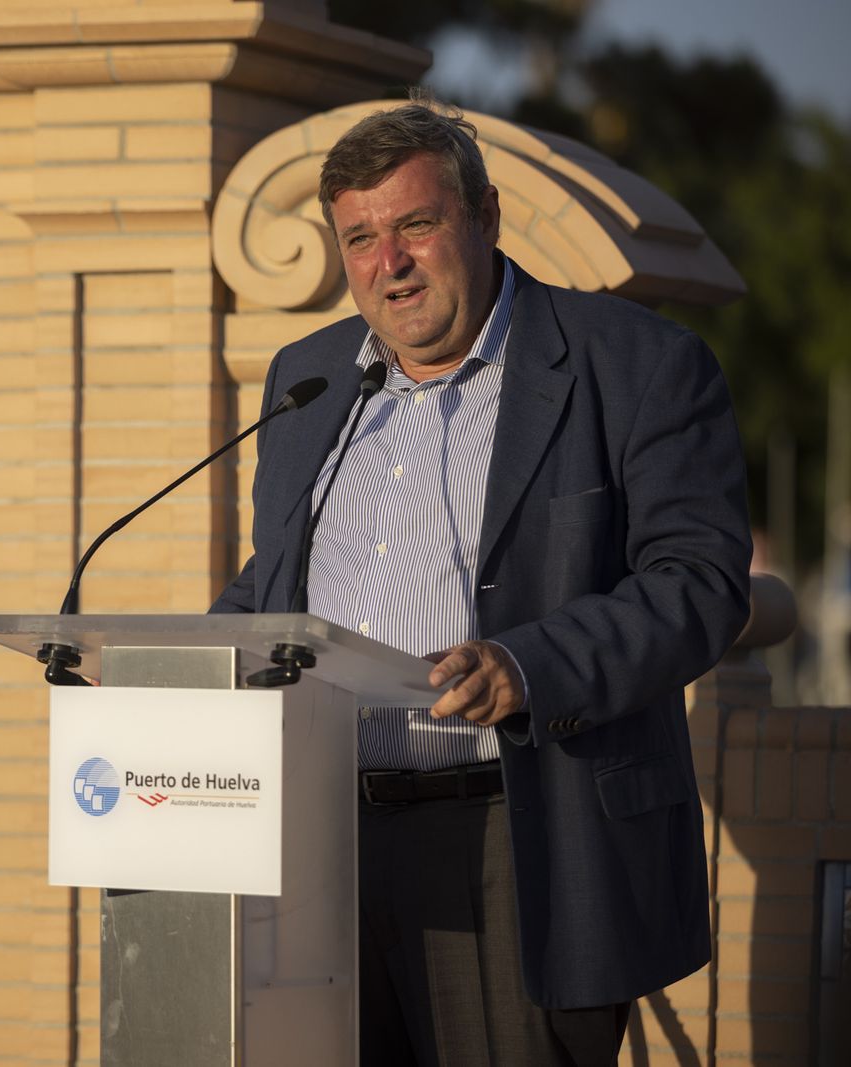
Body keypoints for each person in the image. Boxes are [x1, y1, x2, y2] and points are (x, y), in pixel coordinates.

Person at [210, 97, 751, 1066]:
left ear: (484, 216)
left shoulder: (629, 362)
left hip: (516, 833)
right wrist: (165, 667)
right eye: (361, 238)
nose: (389, 262)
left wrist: (525, 664)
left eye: (415, 224)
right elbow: (274, 582)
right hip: (317, 840)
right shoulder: (308, 377)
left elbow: (698, 581)